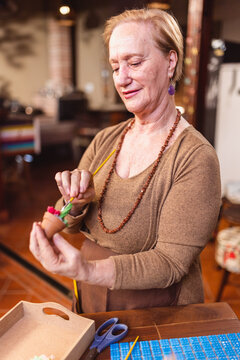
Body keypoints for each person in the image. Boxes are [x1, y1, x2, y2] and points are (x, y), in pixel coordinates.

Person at [30, 8, 221, 313]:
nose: (122, 78)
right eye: (115, 66)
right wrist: (76, 203)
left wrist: (88, 270)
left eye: (134, 62)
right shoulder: (107, 140)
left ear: (170, 62)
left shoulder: (195, 158)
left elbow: (170, 263)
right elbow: (70, 226)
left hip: (158, 312)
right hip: (91, 297)